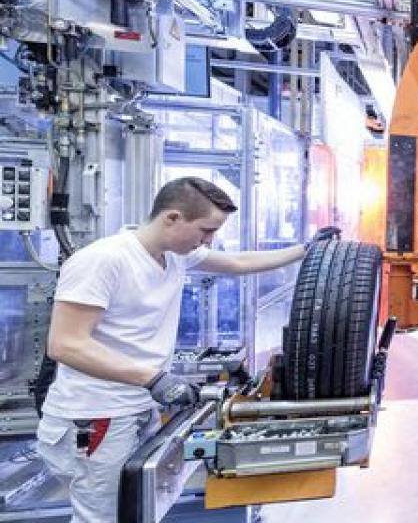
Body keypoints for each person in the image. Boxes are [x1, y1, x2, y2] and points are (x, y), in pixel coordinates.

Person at [35, 177, 339, 522]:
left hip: (136, 408)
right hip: (95, 417)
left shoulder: (173, 257)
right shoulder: (103, 260)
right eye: (206, 230)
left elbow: (238, 263)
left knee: (137, 512)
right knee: (104, 518)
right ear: (172, 218)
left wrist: (304, 250)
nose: (208, 240)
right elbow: (66, 344)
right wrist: (154, 379)